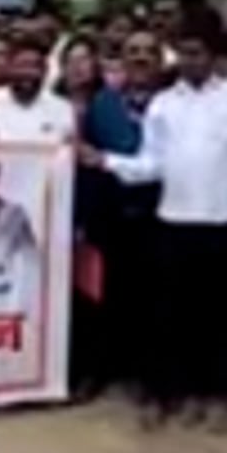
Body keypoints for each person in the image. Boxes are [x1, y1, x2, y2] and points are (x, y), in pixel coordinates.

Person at [87, 8, 227, 426]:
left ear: (213, 55)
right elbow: (153, 165)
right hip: (174, 221)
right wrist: (105, 161)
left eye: (197, 53)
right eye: (183, 53)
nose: (189, 61)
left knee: (226, 316)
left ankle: (223, 395)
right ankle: (172, 393)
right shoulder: (163, 104)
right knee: (176, 315)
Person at [80, 29, 167, 390]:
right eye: (133, 51)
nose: (141, 58)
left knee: (156, 296)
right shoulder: (102, 103)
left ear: (161, 61)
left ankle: (151, 373)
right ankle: (106, 369)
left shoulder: (173, 102)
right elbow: (87, 157)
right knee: (109, 294)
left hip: (162, 214)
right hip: (112, 215)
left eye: (149, 51)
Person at [0, 39, 78, 144]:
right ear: (9, 68)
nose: (27, 73)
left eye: (33, 66)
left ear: (44, 71)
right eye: (21, 66)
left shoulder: (61, 107)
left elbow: (67, 149)